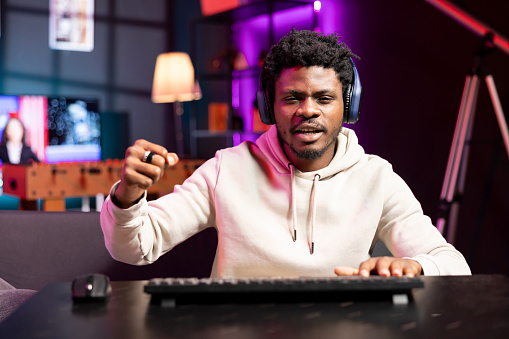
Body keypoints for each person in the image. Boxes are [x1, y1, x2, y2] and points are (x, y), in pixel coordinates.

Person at [100, 29, 471, 278]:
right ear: (268, 107)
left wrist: (416, 267)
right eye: (292, 97)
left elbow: (454, 264)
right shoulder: (225, 170)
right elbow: (134, 248)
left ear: (348, 107)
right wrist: (128, 195)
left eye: (324, 99)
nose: (307, 110)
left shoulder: (376, 178)